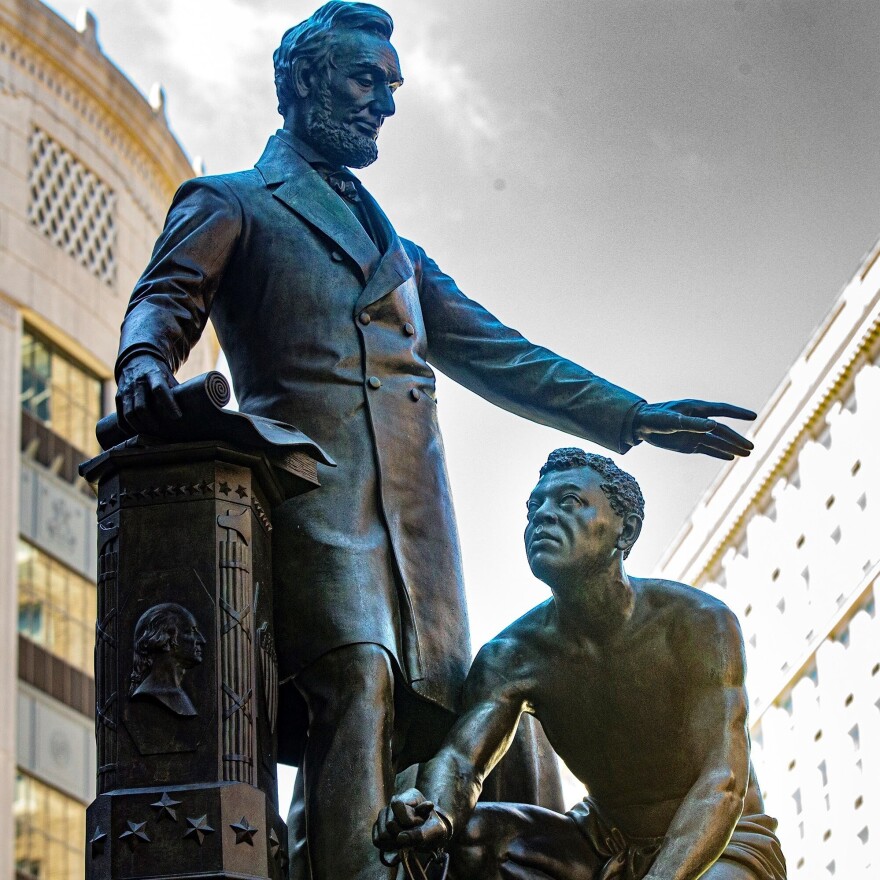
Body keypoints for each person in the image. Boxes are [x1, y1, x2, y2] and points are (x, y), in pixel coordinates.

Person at [114, 4, 757, 878]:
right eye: (363, 80)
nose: (383, 103)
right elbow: (165, 297)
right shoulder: (230, 201)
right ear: (305, 82)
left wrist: (629, 415)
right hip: (312, 504)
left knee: (439, 730)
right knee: (358, 681)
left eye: (391, 86)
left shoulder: (403, 255)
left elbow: (504, 356)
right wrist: (144, 361)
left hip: (419, 543)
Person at [374, 448, 786, 880]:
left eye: (568, 503)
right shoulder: (513, 655)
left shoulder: (698, 623)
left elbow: (722, 782)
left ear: (626, 530)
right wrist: (435, 813)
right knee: (476, 837)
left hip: (722, 841)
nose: (542, 517)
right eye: (535, 507)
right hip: (602, 842)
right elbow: (461, 762)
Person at [129, 603, 206, 717]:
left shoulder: (177, 693)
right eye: (191, 631)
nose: (202, 640)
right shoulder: (150, 695)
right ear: (167, 639)